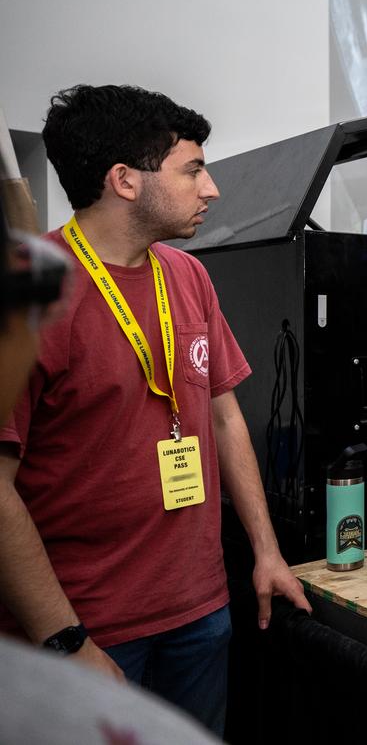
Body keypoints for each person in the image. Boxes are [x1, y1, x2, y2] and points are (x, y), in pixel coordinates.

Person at [0, 85, 311, 736]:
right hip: (88, 631)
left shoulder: (188, 276)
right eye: (193, 169)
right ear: (125, 181)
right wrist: (65, 639)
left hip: (199, 612)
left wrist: (266, 550)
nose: (212, 188)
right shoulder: (30, 290)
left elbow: (224, 418)